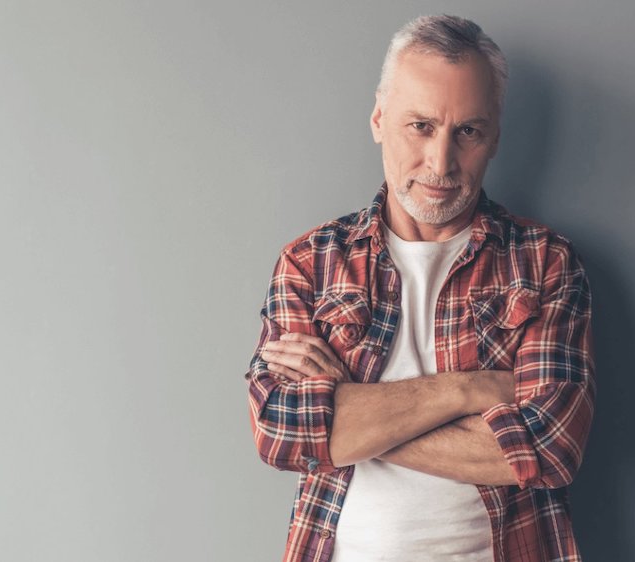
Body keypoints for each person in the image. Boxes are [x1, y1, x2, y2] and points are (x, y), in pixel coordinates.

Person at [245, 14, 595, 562]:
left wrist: (350, 412)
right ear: (380, 118)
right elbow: (284, 432)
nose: (441, 163)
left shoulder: (545, 262)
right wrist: (469, 390)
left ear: (495, 136)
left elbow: (548, 449)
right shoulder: (311, 261)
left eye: (467, 132)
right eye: (421, 126)